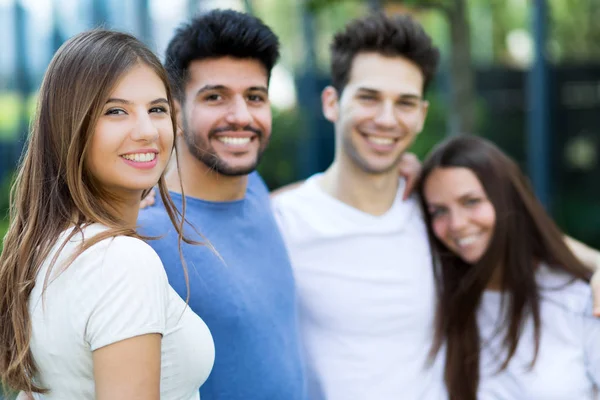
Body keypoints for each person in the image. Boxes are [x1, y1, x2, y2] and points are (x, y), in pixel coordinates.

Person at [271, 12, 600, 400]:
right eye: (368, 97)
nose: (386, 119)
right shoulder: (281, 221)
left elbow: (520, 236)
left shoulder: (434, 212)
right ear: (331, 102)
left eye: (405, 103)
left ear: (421, 115)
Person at [0, 30, 214, 399]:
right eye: (116, 111)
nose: (147, 131)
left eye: (157, 109)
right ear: (70, 127)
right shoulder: (123, 262)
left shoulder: (45, 250)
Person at [136, 10, 306, 400]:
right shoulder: (144, 234)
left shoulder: (255, 189)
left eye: (255, 97)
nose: (241, 117)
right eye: (215, 96)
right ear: (174, 110)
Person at [418, 135, 600, 400]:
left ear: (507, 201)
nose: (456, 224)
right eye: (439, 211)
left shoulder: (578, 299)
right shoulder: (436, 298)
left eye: (471, 202)